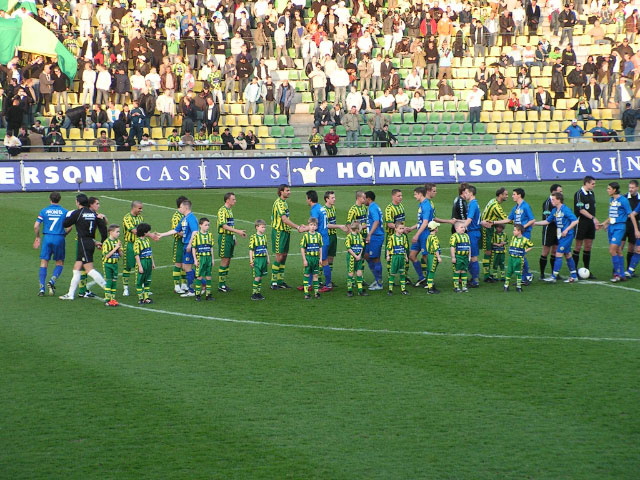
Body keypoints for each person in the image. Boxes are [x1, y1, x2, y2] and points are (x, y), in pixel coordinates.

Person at [59, 194, 107, 300]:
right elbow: (103, 229)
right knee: (77, 268)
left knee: (89, 269)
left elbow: (65, 224)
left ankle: (108, 289)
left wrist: (68, 216)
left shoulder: (78, 213)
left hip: (83, 242)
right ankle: (70, 294)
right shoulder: (94, 214)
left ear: (78, 202)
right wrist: (103, 242)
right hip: (90, 242)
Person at [535, 192, 580, 283]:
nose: (552, 201)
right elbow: (547, 221)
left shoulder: (565, 209)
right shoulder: (554, 211)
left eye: (553, 199)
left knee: (558, 253)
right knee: (567, 254)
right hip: (561, 236)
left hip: (567, 235)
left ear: (559, 200)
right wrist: (535, 223)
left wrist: (566, 230)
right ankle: (574, 276)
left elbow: (575, 221)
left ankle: (553, 277)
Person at [157, 199, 199, 296]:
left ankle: (193, 290)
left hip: (189, 246)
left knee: (187, 268)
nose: (179, 209)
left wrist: (190, 244)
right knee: (185, 267)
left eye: (180, 207)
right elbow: (175, 230)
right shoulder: (184, 219)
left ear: (185, 207)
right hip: (185, 245)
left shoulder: (191, 218)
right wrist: (162, 234)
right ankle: (201, 284)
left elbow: (195, 232)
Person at [33, 192, 68, 296]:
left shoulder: (44, 211)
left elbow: (36, 226)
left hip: (47, 238)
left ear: (50, 199)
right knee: (59, 262)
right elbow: (69, 226)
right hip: (59, 237)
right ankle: (52, 281)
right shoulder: (64, 212)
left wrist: (38, 237)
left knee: (44, 262)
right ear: (59, 199)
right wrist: (64, 234)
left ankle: (42, 289)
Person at [271, 185, 304, 289]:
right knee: (279, 256)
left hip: (286, 232)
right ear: (281, 192)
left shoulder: (284, 203)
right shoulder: (279, 203)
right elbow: (284, 219)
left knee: (284, 256)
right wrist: (297, 227)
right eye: (287, 190)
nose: (289, 192)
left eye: (289, 190)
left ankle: (280, 281)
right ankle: (273, 282)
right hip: (279, 232)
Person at [599, 182, 633, 282]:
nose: (607, 190)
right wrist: (605, 223)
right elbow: (612, 215)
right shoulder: (611, 200)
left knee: (612, 250)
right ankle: (622, 275)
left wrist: (636, 229)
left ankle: (617, 274)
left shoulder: (623, 200)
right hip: (611, 227)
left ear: (614, 190)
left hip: (619, 227)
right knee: (618, 250)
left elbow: (630, 214)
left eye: (609, 188)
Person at [217, 192, 247, 293]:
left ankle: (223, 283)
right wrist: (238, 232)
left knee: (228, 260)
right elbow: (224, 225)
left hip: (230, 237)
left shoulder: (229, 211)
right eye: (233, 199)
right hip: (224, 237)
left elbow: (230, 225)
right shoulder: (222, 211)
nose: (235, 201)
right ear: (227, 200)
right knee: (225, 260)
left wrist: (234, 237)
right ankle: (221, 285)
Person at [462, 185, 491, 287]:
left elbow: (469, 220)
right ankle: (473, 278)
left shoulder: (472, 204)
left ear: (470, 193)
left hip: (473, 233)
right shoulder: (474, 203)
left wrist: (461, 229)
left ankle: (475, 281)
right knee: (470, 256)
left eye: (466, 192)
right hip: (474, 232)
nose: (464, 194)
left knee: (473, 257)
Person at [480, 187, 509, 282]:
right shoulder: (496, 206)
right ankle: (486, 276)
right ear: (500, 195)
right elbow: (506, 219)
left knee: (490, 251)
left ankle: (489, 274)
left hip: (489, 227)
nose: (507, 196)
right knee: (488, 252)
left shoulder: (493, 201)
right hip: (486, 229)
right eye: (506, 194)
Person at [572, 176, 598, 278]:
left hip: (590, 224)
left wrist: (593, 221)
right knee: (578, 246)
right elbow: (581, 210)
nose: (594, 186)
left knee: (588, 246)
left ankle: (587, 269)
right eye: (592, 184)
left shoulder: (592, 193)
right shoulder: (579, 194)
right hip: (581, 223)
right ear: (586, 183)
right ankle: (574, 271)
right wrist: (593, 218)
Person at [539, 184, 563, 280]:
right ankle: (542, 274)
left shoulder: (559, 203)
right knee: (545, 251)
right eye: (559, 191)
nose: (561, 193)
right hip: (548, 230)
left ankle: (554, 273)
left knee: (555, 251)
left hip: (557, 230)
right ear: (553, 192)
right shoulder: (547, 203)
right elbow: (547, 218)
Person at [121, 201, 144, 297]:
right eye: (139, 208)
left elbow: (143, 231)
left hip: (140, 244)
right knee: (128, 267)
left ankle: (142, 287)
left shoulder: (140, 218)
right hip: (130, 245)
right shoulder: (127, 218)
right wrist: (148, 233)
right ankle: (125, 288)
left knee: (141, 266)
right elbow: (135, 231)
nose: (141, 210)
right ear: (134, 208)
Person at [190, 217, 215, 302]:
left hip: (208, 258)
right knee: (199, 276)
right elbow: (193, 248)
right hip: (200, 258)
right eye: (205, 225)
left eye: (208, 225)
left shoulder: (210, 235)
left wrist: (212, 259)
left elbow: (211, 248)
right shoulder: (197, 236)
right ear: (200, 225)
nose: (207, 226)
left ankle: (208, 294)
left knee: (208, 276)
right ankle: (198, 295)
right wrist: (195, 260)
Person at [503, 224, 534, 292]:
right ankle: (506, 286)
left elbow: (531, 245)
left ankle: (518, 287)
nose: (513, 231)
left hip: (519, 259)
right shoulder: (513, 237)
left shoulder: (524, 240)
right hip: (511, 258)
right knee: (509, 272)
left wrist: (525, 251)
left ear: (519, 231)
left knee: (518, 273)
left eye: (514, 230)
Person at [365, 191, 385, 290]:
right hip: (375, 235)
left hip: (376, 236)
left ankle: (379, 283)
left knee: (376, 258)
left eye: (365, 198)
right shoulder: (374, 206)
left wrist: (369, 234)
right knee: (367, 256)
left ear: (368, 198)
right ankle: (377, 279)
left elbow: (376, 221)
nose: (363, 200)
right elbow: (371, 222)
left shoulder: (372, 207)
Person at [300, 217, 323, 299]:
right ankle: (306, 293)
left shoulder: (319, 235)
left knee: (316, 275)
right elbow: (302, 248)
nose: (313, 227)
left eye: (314, 225)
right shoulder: (306, 236)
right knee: (306, 274)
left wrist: (320, 258)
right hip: (309, 258)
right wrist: (304, 259)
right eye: (311, 225)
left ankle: (316, 293)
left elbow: (320, 247)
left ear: (316, 226)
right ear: (308, 226)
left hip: (316, 258)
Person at [169, 196, 188, 294]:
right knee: (178, 264)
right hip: (179, 242)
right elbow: (176, 231)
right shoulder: (176, 216)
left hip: (186, 242)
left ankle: (184, 284)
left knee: (186, 263)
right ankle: (176, 285)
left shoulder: (186, 215)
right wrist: (186, 235)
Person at [133, 222, 155, 304]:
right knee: (140, 280)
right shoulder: (137, 242)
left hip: (148, 261)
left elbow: (150, 252)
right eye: (148, 231)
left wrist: (153, 262)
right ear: (144, 232)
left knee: (147, 280)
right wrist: (140, 266)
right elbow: (136, 255)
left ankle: (146, 297)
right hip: (142, 261)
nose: (149, 233)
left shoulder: (147, 240)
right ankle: (140, 298)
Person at [386, 221, 409, 296]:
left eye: (403, 228)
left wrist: (406, 256)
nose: (402, 230)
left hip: (401, 257)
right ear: (395, 229)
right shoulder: (392, 237)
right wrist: (388, 256)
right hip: (395, 257)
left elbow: (405, 247)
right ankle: (390, 290)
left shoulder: (404, 237)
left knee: (402, 273)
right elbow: (388, 247)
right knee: (392, 273)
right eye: (400, 228)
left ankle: (403, 289)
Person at [249, 219, 270, 301]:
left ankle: (258, 292)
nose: (264, 229)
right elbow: (251, 250)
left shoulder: (264, 237)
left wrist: (268, 258)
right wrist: (251, 260)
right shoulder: (253, 237)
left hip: (263, 259)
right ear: (257, 227)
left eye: (265, 227)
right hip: (257, 260)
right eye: (262, 227)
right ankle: (254, 293)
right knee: (257, 277)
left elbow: (265, 249)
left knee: (261, 277)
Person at [102, 224, 122, 307]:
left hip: (115, 264)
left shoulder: (117, 242)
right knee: (109, 281)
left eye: (119, 232)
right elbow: (106, 255)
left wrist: (119, 249)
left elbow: (121, 255)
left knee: (114, 282)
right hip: (108, 265)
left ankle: (112, 299)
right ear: (111, 232)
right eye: (117, 232)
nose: (118, 233)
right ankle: (107, 300)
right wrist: (115, 248)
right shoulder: (106, 242)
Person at [345, 222, 367, 297]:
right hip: (351, 257)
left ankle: (360, 290)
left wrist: (360, 255)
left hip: (359, 257)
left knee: (359, 272)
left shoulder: (360, 236)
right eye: (360, 227)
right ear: (357, 229)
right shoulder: (349, 237)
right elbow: (348, 248)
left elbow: (362, 246)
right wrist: (355, 256)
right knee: (351, 273)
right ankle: (349, 290)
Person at [623, 180, 640, 272]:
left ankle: (629, 271)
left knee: (632, 248)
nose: (631, 189)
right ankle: (619, 270)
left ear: (637, 188)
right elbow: (632, 213)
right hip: (625, 224)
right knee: (620, 246)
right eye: (630, 187)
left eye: (632, 187)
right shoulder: (624, 197)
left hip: (635, 224)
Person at [450, 221, 471, 293]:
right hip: (458, 257)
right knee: (457, 271)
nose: (463, 229)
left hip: (465, 257)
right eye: (461, 227)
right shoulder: (454, 236)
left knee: (464, 271)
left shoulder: (466, 236)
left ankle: (464, 287)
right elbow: (452, 247)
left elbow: (469, 247)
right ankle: (456, 287)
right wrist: (453, 257)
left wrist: (469, 256)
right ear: (456, 228)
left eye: (464, 227)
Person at [425, 221, 442, 294]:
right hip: (433, 256)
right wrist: (438, 257)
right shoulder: (434, 237)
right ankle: (430, 288)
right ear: (435, 229)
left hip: (429, 255)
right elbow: (436, 249)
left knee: (430, 271)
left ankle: (431, 286)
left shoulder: (429, 236)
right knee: (432, 272)